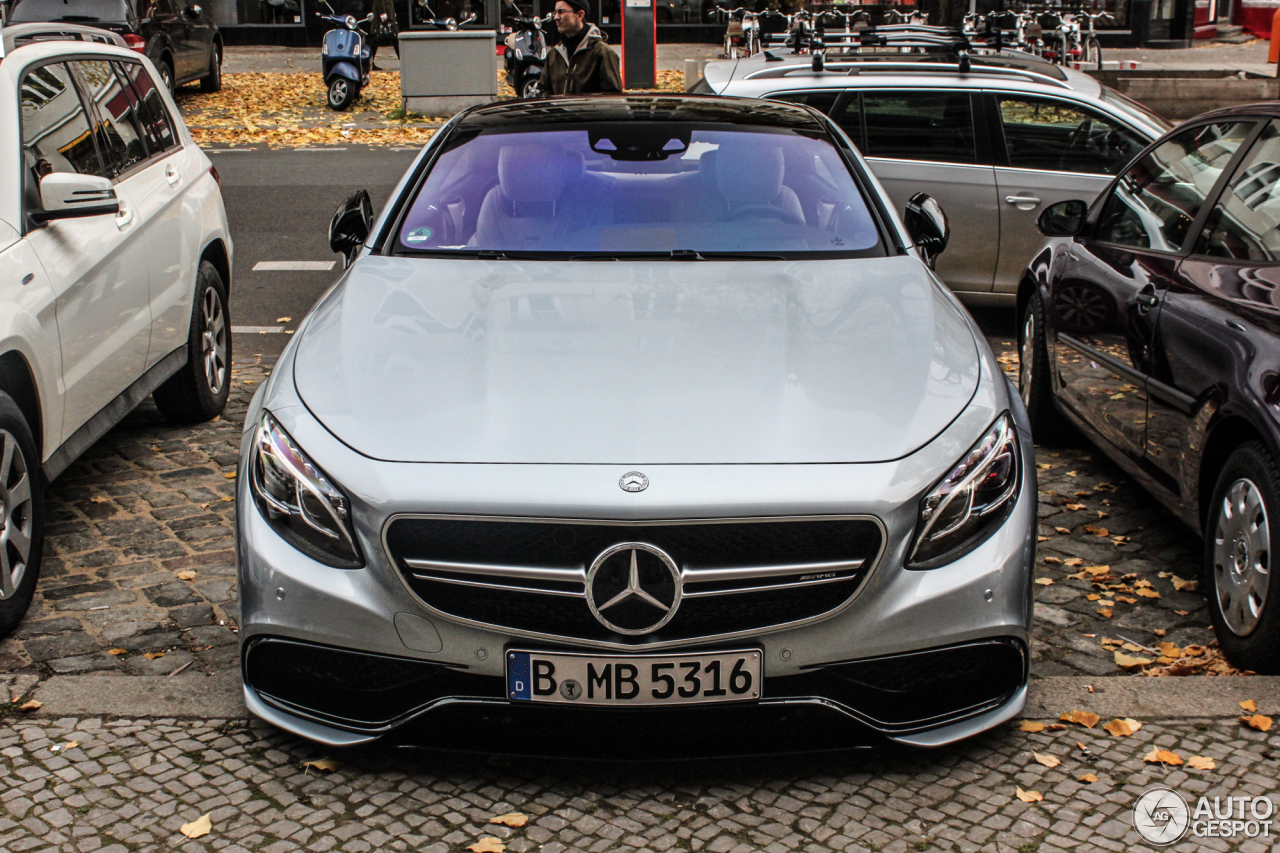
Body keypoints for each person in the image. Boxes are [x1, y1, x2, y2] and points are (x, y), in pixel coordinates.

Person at [542, 0, 622, 96]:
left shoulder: (602, 53)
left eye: (561, 12)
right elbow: (544, 90)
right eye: (555, 12)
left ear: (580, 15)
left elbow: (612, 98)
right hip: (560, 111)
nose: (556, 17)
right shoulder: (554, 54)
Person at [369, 0, 399, 71]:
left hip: (387, 12)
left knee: (393, 39)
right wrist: (383, 13)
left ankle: (369, 62)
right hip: (384, 13)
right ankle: (368, 62)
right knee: (377, 39)